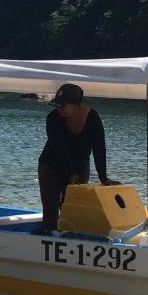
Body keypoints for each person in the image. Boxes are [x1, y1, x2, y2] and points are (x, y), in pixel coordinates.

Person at [34, 83, 120, 234]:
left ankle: (70, 238)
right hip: (51, 166)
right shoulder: (53, 118)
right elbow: (60, 149)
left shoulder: (93, 118)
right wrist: (71, 173)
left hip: (80, 166)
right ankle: (47, 234)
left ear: (76, 105)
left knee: (72, 208)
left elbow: (99, 149)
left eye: (63, 105)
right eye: (57, 105)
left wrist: (103, 177)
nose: (59, 109)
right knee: (50, 211)